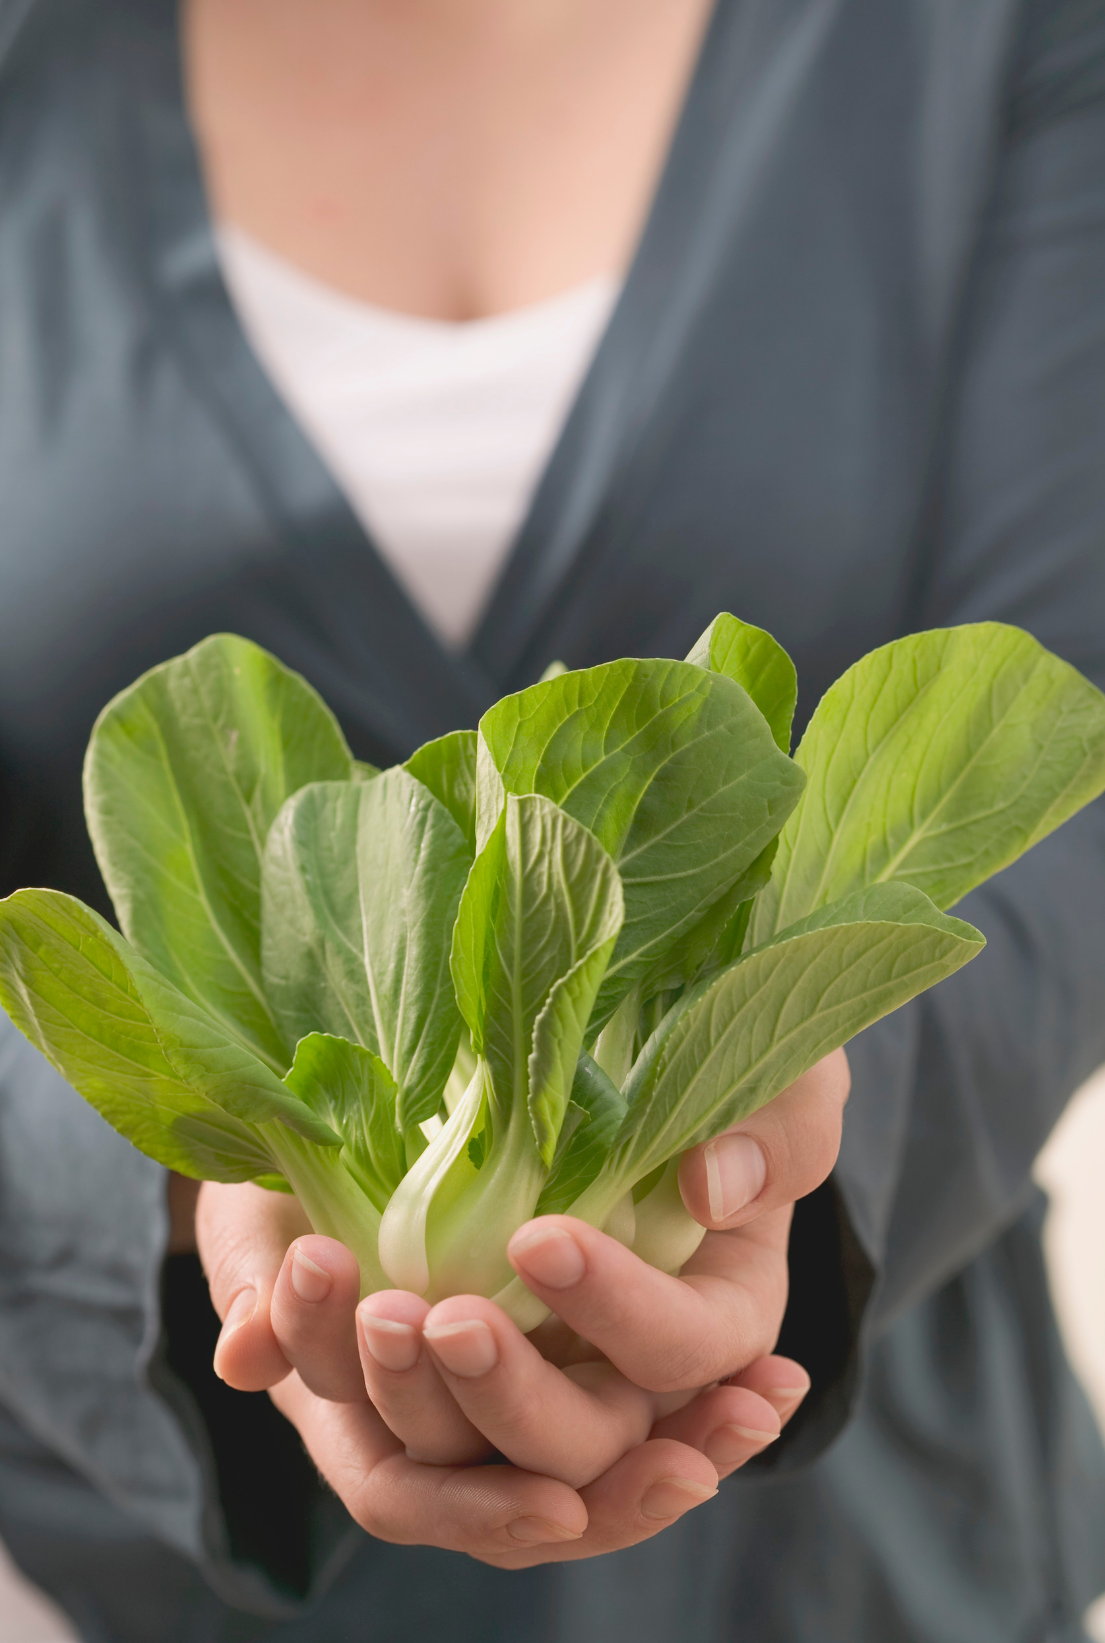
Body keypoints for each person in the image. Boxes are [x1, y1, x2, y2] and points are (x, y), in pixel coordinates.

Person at [0, 0, 1103, 1638]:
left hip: (865, 1572)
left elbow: (1056, 779)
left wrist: (770, 1144)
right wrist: (182, 1181)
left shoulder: (998, 38)